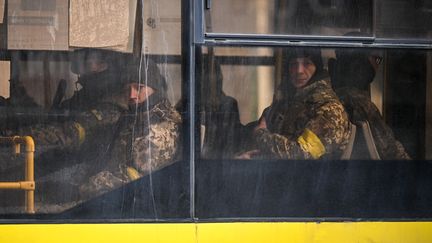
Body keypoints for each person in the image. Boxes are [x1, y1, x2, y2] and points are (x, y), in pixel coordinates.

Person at [79, 58, 182, 199]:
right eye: (128, 89)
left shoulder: (160, 129)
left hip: (138, 204)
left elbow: (133, 178)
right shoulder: (135, 117)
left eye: (139, 88)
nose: (132, 95)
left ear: (155, 88)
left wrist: (81, 188)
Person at [239, 48, 351, 160]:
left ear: (317, 68)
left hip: (310, 176)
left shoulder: (329, 111)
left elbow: (300, 154)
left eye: (307, 63)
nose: (299, 71)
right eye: (293, 64)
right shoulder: (287, 104)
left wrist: (261, 135)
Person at [329, 45, 411, 160]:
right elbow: (390, 149)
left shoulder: (334, 95)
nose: (377, 67)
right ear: (360, 63)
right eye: (376, 59)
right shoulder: (360, 103)